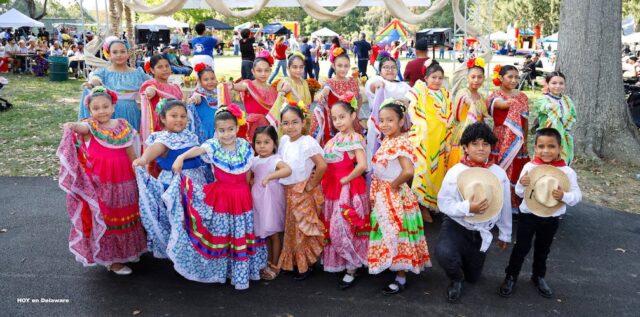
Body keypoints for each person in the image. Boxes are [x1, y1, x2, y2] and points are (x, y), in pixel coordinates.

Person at [171, 105, 267, 290]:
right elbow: (197, 150)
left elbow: (247, 173)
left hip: (242, 198)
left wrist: (249, 190)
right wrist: (181, 157)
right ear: (216, 130)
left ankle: (241, 274)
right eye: (221, 130)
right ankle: (223, 272)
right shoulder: (213, 146)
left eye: (230, 129)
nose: (227, 134)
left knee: (240, 233)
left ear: (237, 128)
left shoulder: (244, 145)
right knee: (224, 235)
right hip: (222, 198)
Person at [58, 86, 147, 275]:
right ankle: (112, 260)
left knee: (129, 211)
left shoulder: (123, 125)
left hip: (125, 180)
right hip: (102, 182)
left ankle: (128, 251)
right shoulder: (90, 126)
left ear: (113, 106)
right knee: (107, 216)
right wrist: (72, 126)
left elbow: (130, 150)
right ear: (90, 111)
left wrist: (138, 168)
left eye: (105, 106)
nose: (101, 111)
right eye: (96, 108)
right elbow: (81, 128)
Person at [499, 128, 582, 299]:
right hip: (528, 215)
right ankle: (511, 276)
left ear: (560, 148)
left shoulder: (567, 172)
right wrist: (521, 183)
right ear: (535, 148)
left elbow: (577, 196)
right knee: (521, 247)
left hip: (551, 217)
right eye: (541, 146)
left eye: (551, 146)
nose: (546, 151)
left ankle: (538, 276)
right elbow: (521, 193)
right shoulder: (530, 167)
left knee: (543, 248)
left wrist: (564, 196)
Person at [436, 122, 512, 303]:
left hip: (481, 229)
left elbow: (505, 204)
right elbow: (444, 203)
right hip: (457, 224)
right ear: (465, 147)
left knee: (474, 277)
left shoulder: (498, 173)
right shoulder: (456, 172)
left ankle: (468, 266)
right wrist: (466, 208)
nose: (480, 149)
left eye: (485, 144)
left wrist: (505, 234)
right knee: (444, 253)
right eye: (475, 144)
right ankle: (456, 278)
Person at [132, 100, 211, 258]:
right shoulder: (163, 139)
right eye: (173, 116)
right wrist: (143, 159)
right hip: (176, 184)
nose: (179, 119)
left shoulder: (190, 135)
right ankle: (182, 252)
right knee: (180, 219)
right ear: (163, 118)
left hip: (197, 182)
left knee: (196, 218)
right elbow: (155, 149)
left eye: (183, 116)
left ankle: (195, 249)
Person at [368, 100, 431, 295]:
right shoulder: (388, 140)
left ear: (401, 121)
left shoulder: (401, 142)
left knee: (398, 231)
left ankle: (401, 276)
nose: (385, 124)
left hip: (394, 193)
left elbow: (408, 171)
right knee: (388, 229)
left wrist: (392, 187)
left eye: (390, 120)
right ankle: (391, 264)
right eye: (382, 120)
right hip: (384, 192)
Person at [321, 100, 370, 289]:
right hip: (333, 189)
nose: (338, 121)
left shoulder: (355, 138)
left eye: (342, 117)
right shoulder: (333, 141)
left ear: (352, 116)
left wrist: (347, 179)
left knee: (347, 226)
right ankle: (341, 261)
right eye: (334, 118)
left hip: (349, 189)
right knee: (335, 227)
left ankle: (352, 266)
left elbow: (362, 165)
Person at [277, 103, 327, 281]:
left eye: (294, 122)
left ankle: (305, 266)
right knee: (291, 229)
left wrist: (311, 185)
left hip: (303, 192)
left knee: (302, 229)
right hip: (288, 191)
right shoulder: (283, 141)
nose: (290, 127)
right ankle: (293, 263)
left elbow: (322, 165)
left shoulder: (307, 142)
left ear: (303, 122)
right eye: (286, 123)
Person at [407, 59, 452, 214]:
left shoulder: (445, 94)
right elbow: (411, 104)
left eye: (440, 78)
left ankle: (433, 203)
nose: (437, 81)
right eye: (433, 77)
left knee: (439, 170)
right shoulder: (421, 90)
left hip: (440, 138)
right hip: (425, 138)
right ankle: (421, 205)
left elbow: (449, 117)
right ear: (425, 78)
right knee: (424, 169)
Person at [79, 36, 150, 131]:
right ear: (109, 54)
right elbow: (96, 79)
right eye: (115, 52)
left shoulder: (138, 73)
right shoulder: (104, 72)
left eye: (122, 51)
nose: (119, 55)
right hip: (111, 113)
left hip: (132, 112)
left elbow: (151, 83)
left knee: (131, 139)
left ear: (128, 53)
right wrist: (91, 84)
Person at [250, 125, 292, 280]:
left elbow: (287, 170)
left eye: (266, 142)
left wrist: (270, 177)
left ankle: (275, 265)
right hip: (259, 198)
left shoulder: (275, 159)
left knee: (274, 233)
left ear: (274, 143)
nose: (262, 146)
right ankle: (268, 261)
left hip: (271, 199)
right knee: (266, 232)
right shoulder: (253, 160)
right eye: (258, 142)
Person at [488, 65, 531, 212]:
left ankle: (514, 204)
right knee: (502, 169)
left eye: (516, 77)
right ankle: (499, 203)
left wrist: (525, 140)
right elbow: (500, 104)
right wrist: (510, 103)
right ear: (500, 78)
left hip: (518, 141)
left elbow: (525, 121)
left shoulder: (522, 97)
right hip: (501, 139)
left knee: (517, 170)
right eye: (510, 77)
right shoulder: (494, 96)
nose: (514, 80)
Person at [364, 52, 412, 167]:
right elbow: (372, 86)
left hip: (400, 126)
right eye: (386, 67)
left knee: (397, 153)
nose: (390, 70)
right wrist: (378, 85)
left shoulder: (404, 86)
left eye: (393, 67)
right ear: (380, 70)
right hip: (380, 124)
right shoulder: (378, 80)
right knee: (377, 151)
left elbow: (413, 98)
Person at [313, 48, 362, 146]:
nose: (343, 69)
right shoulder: (329, 83)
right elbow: (324, 92)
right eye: (339, 65)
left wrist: (356, 115)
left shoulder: (353, 81)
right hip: (336, 124)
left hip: (351, 122)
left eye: (346, 66)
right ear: (333, 66)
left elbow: (359, 98)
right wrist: (324, 92)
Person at [448, 57, 490, 168]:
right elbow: (464, 99)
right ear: (467, 78)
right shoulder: (463, 92)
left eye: (479, 77)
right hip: (463, 132)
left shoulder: (481, 97)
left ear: (484, 78)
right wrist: (470, 102)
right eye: (473, 77)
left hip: (478, 135)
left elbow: (483, 117)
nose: (476, 80)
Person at [228, 50, 278, 142]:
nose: (263, 74)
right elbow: (242, 86)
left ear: (270, 71)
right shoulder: (249, 84)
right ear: (253, 71)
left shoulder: (272, 90)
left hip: (269, 126)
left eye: (266, 70)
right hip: (253, 126)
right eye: (259, 70)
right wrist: (234, 86)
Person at [139, 54, 184, 154]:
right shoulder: (152, 84)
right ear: (152, 70)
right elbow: (149, 90)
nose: (165, 69)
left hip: (175, 126)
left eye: (167, 66)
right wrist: (150, 91)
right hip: (158, 127)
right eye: (160, 67)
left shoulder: (175, 87)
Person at [533, 71, 577, 165]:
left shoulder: (567, 100)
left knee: (561, 160)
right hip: (546, 136)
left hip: (562, 136)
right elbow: (541, 107)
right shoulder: (543, 99)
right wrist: (550, 106)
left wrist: (565, 128)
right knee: (546, 159)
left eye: (561, 83)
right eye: (554, 83)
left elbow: (572, 114)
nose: (557, 86)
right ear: (547, 84)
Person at [268, 52, 312, 133]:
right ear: (288, 68)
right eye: (294, 67)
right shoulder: (286, 81)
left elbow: (307, 103)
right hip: (290, 122)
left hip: (304, 118)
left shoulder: (304, 82)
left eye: (301, 67)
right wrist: (284, 91)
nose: (298, 70)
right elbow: (282, 91)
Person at [188, 63, 226, 143]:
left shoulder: (218, 91)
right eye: (206, 80)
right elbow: (194, 99)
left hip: (219, 125)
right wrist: (194, 99)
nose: (210, 82)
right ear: (200, 81)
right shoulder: (198, 93)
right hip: (206, 128)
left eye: (212, 78)